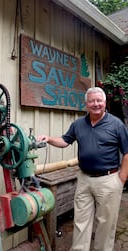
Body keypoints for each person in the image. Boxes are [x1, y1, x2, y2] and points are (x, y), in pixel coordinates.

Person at [37, 87, 128, 251]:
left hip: (108, 180)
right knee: (81, 220)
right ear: (86, 104)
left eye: (99, 100)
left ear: (105, 102)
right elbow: (65, 141)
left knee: (106, 223)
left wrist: (122, 178)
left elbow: (127, 152)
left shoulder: (116, 124)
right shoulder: (78, 124)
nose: (96, 104)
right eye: (92, 101)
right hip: (84, 179)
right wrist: (49, 138)